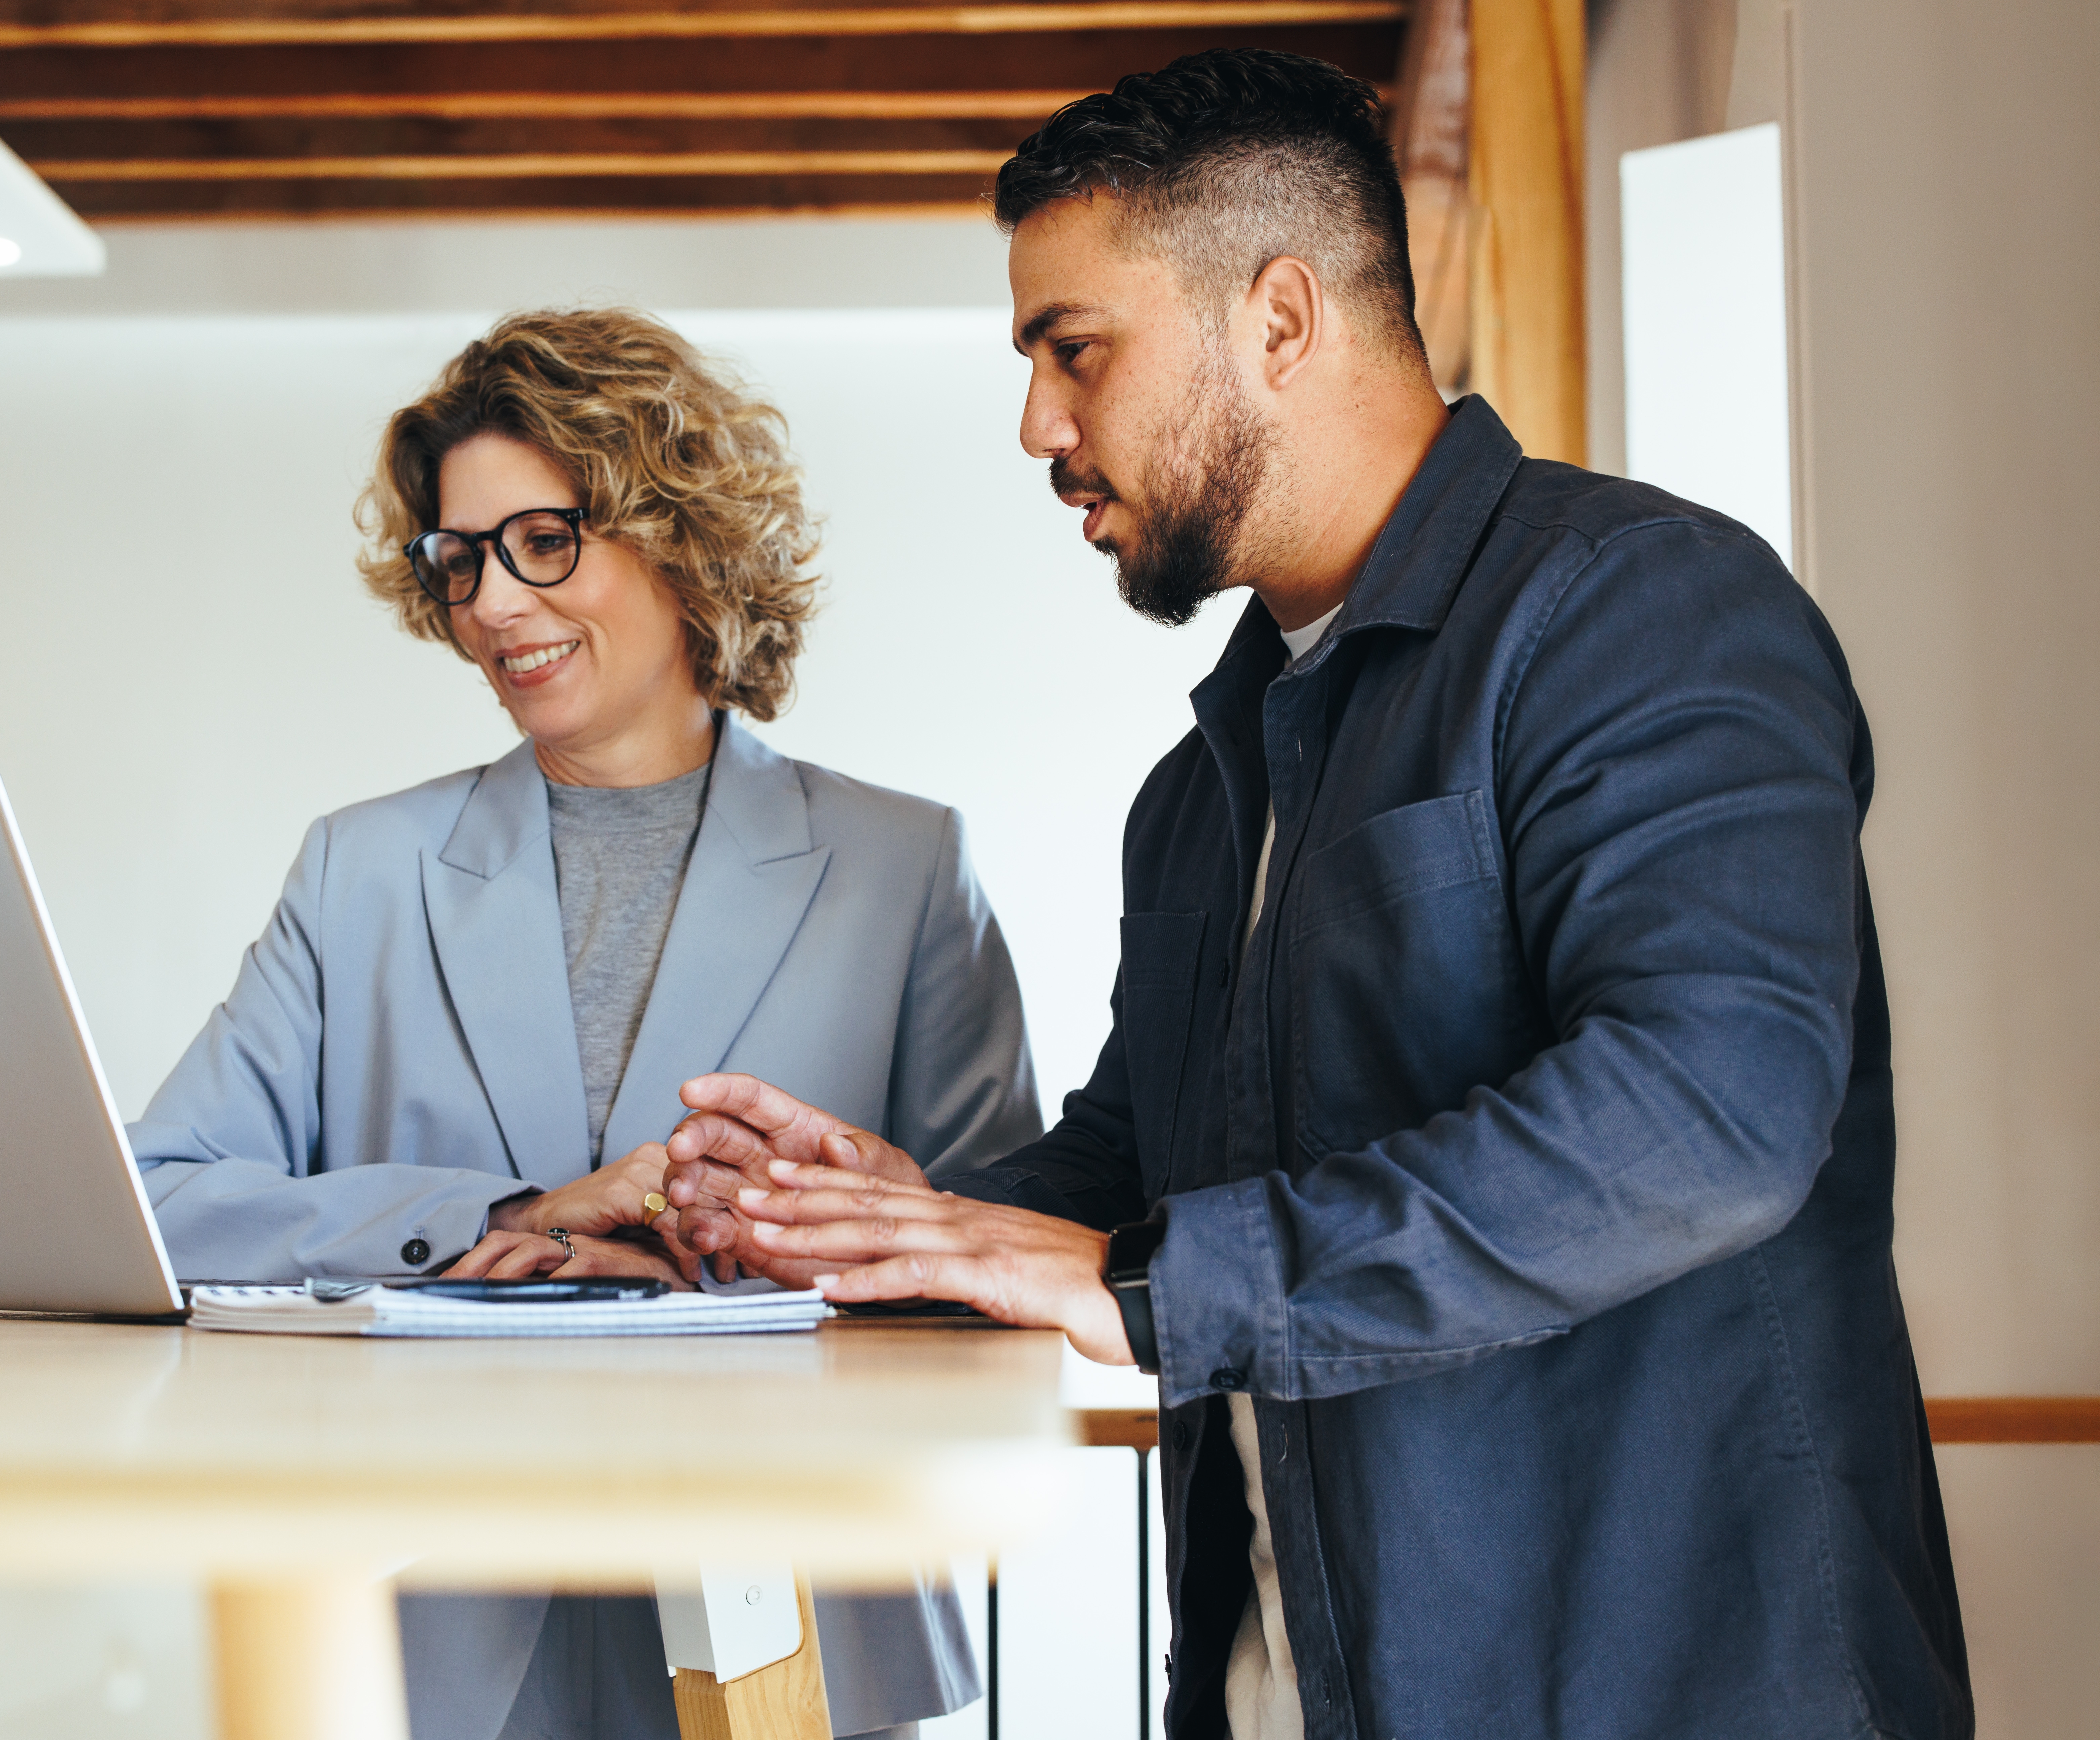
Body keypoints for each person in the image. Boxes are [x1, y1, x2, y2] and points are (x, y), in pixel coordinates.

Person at [658, 49, 1971, 1740]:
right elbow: (1139, 1173)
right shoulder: (1198, 791)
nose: (1038, 427)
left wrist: (1145, 1286)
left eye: (1075, 351)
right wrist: (887, 1233)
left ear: (1279, 318)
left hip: (1675, 1690)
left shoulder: (1647, 613)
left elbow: (1708, 1108)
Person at [127, 308, 1033, 1740]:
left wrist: (832, 1230)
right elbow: (156, 1205)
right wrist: (505, 1213)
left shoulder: (901, 865)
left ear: (678, 536)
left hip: (790, 1598)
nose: (492, 603)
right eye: (461, 557)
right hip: (434, 1595)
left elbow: (1000, 1255)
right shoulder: (361, 869)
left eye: (544, 542)